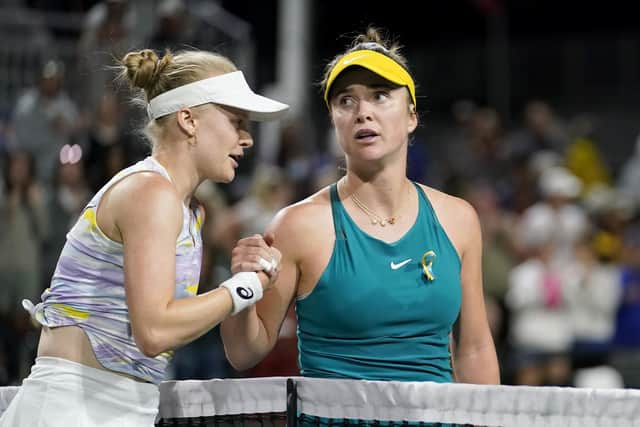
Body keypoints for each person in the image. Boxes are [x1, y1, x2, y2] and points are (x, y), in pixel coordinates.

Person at [0, 47, 288, 426]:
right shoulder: (150, 194)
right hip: (72, 409)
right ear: (188, 120)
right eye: (236, 121)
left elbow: (222, 343)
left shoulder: (187, 210)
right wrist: (242, 288)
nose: (247, 139)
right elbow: (153, 331)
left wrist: (245, 289)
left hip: (120, 406)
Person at [221, 27, 500, 385]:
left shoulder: (459, 219)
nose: (362, 112)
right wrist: (242, 286)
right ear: (334, 122)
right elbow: (245, 352)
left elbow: (474, 348)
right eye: (345, 101)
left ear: (412, 116)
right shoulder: (298, 225)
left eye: (380, 96)